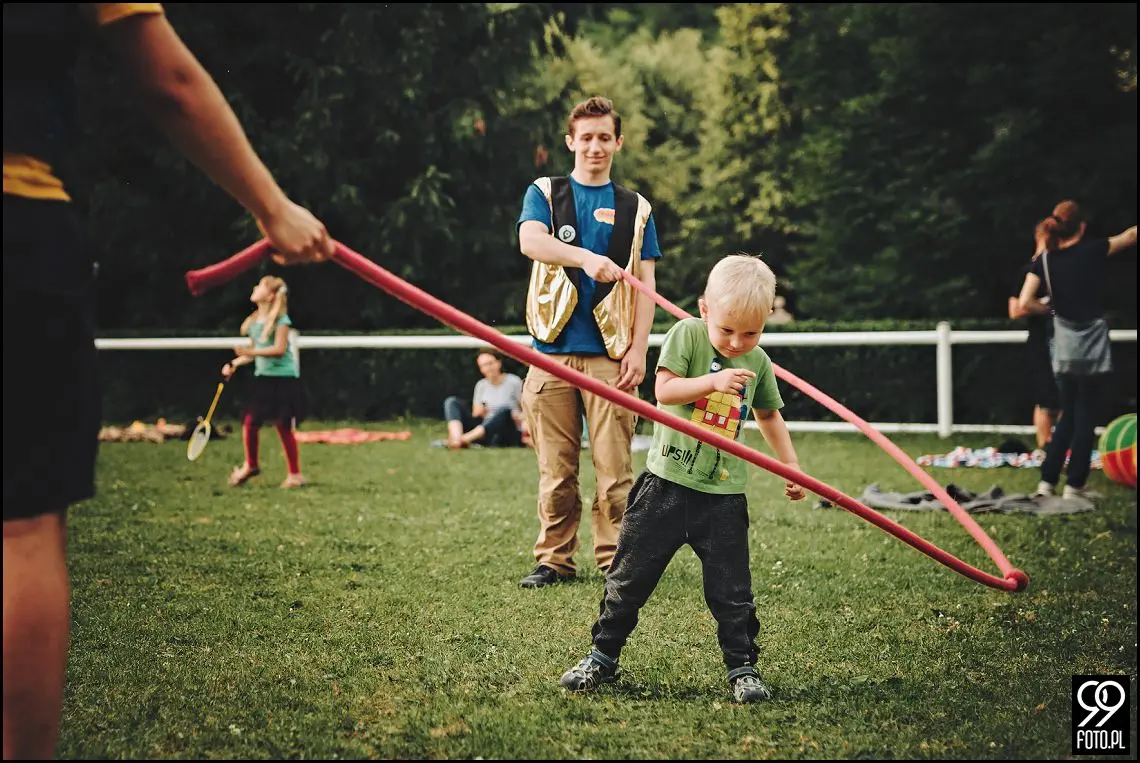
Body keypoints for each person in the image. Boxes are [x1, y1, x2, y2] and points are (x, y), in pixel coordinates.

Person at [3, 5, 333, 759]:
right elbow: (171, 81)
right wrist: (272, 208)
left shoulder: (272, 320)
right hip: (16, 222)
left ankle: (275, 467)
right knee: (19, 523)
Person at [558, 254, 805, 704]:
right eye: (727, 329)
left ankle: (743, 669)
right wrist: (713, 384)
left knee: (733, 591)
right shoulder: (687, 334)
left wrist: (790, 466)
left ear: (765, 322)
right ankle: (602, 656)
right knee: (628, 578)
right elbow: (665, 391)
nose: (736, 342)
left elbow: (770, 414)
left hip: (724, 496)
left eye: (750, 332)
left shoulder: (759, 361)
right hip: (664, 487)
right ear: (705, 309)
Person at [515, 95, 663, 589]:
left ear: (617, 142)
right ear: (570, 142)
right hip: (549, 357)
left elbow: (647, 286)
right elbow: (531, 242)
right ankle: (553, 560)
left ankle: (614, 561)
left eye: (605, 137)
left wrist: (640, 350)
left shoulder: (637, 208)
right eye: (586, 137)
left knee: (615, 473)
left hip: (611, 358)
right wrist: (583, 257)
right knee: (555, 473)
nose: (595, 146)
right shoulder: (545, 191)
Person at [1018, 201, 1136, 500]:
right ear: (1081, 227)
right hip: (1092, 348)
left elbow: (1024, 303)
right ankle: (1075, 485)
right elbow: (1130, 236)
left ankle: (1046, 482)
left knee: (1067, 414)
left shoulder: (1044, 261)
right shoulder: (1093, 251)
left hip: (1064, 348)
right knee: (1086, 415)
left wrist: (1051, 311)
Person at [223, 276, 308, 488]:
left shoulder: (281, 321)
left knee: (283, 426)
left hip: (284, 379)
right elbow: (255, 354)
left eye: (259, 286)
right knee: (250, 422)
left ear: (270, 296)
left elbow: (278, 350)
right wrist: (235, 363)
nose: (254, 287)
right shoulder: (253, 323)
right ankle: (251, 465)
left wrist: (250, 351)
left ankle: (295, 474)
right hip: (263, 379)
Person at [1007, 238, 1061, 451]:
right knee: (1045, 397)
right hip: (1040, 340)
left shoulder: (1062, 269)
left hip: (1066, 339)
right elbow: (1015, 310)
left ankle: (1066, 446)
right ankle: (1044, 445)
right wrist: (1046, 306)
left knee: (1068, 395)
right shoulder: (1029, 271)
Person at [439, 348, 526, 449]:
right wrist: (482, 411)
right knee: (451, 401)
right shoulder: (481, 385)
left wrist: (518, 416)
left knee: (504, 410)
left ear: (499, 363)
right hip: (484, 429)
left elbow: (527, 411)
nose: (488, 368)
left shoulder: (513, 381)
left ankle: (463, 440)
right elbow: (476, 414)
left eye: (490, 363)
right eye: (484, 365)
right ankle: (456, 438)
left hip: (506, 429)